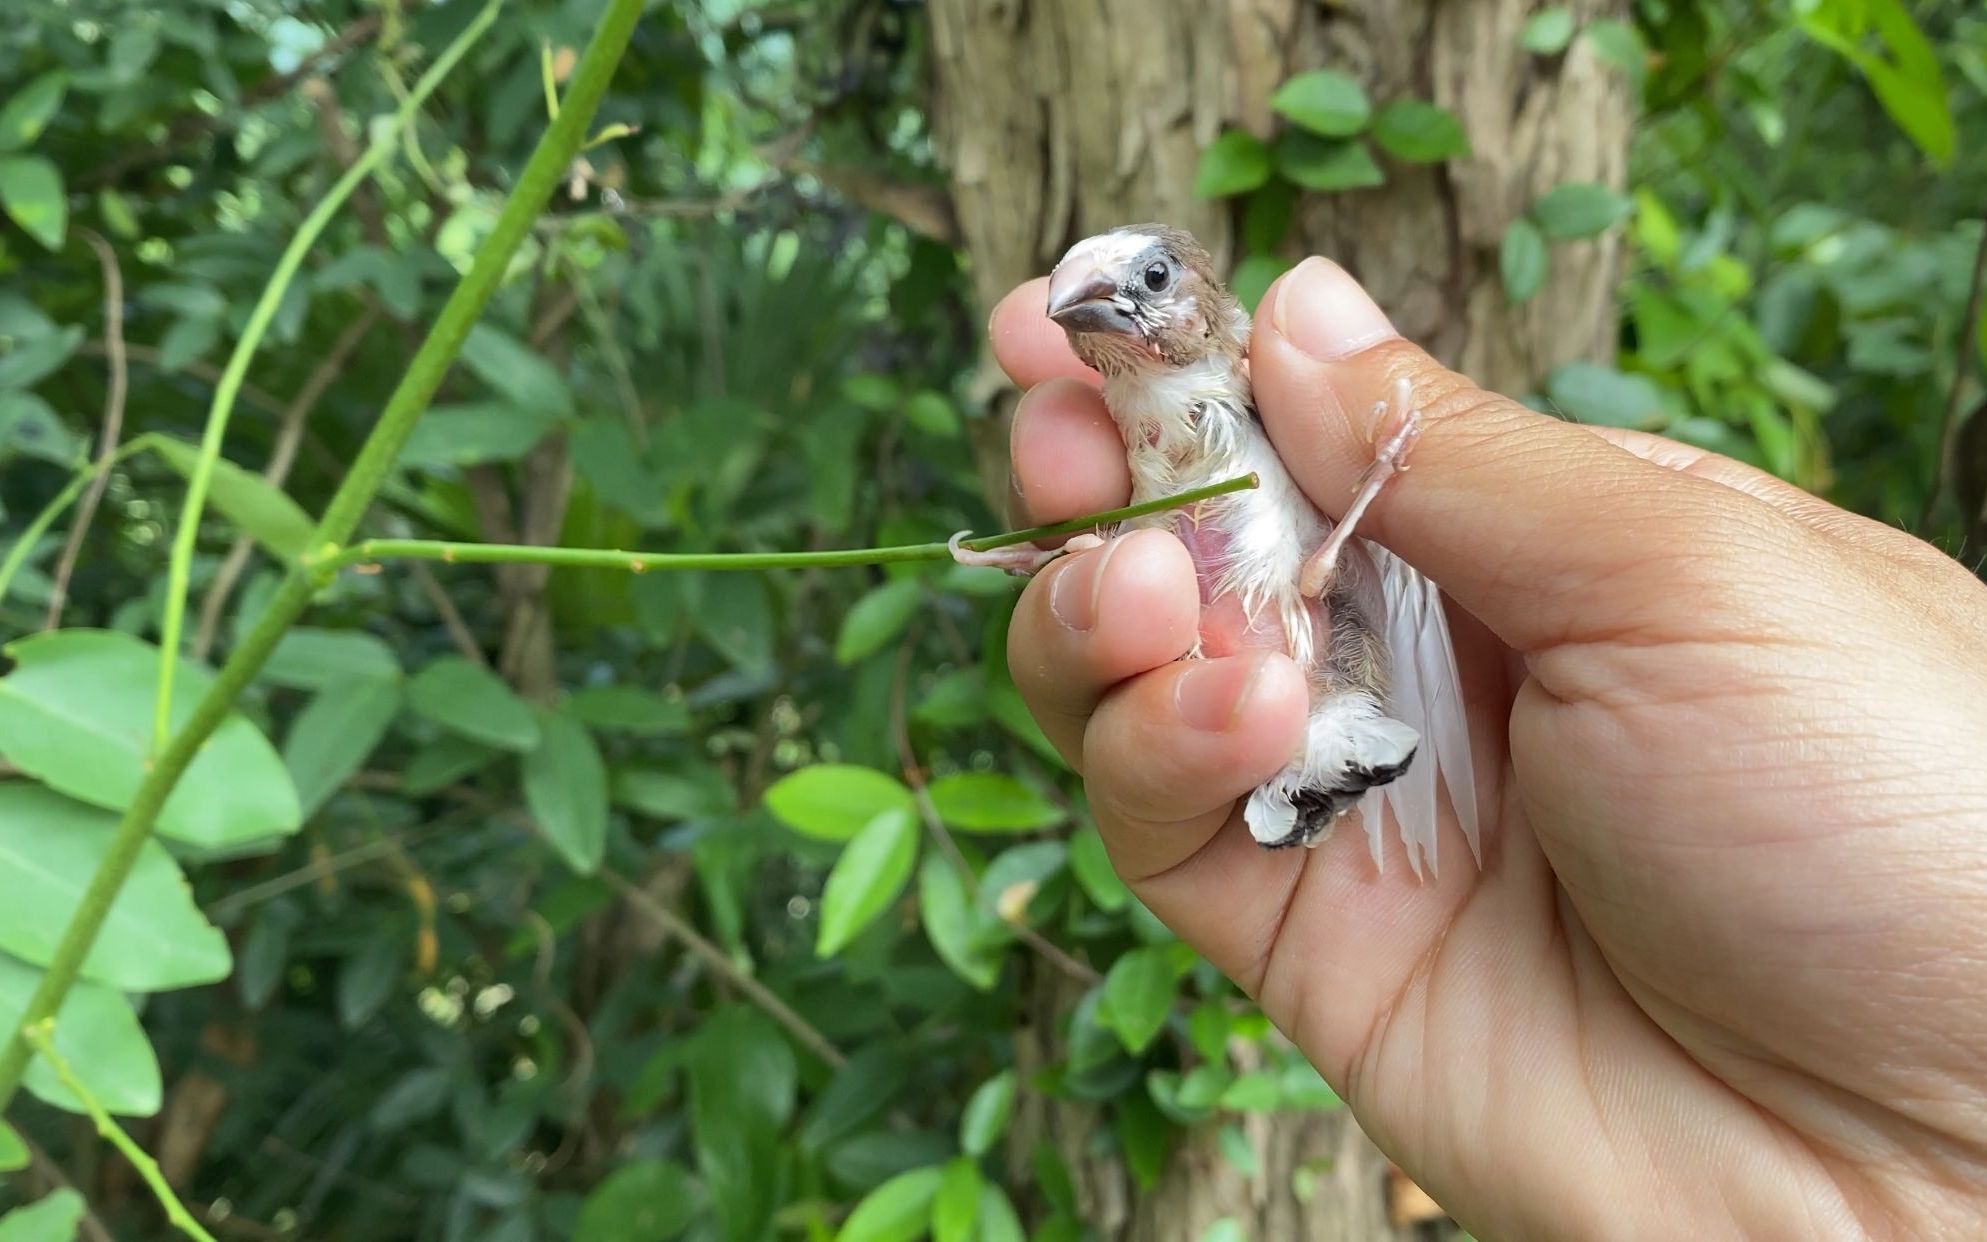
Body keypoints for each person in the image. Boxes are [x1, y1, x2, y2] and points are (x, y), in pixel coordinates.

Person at [991, 255, 1987, 1237]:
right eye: (1090, 302)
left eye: (1150, 282)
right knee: (1146, 604)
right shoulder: (1128, 414)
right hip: (1260, 660)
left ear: (1203, 299)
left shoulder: (1257, 377)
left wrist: (1384, 467)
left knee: (1262, 592)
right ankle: (1286, 728)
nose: (1113, 309)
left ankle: (1315, 738)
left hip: (1309, 606)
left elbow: (1333, 552)